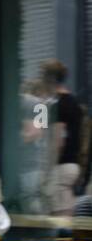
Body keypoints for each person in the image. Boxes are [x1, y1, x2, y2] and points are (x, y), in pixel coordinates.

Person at [40, 60, 85, 216]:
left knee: (62, 221)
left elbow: (57, 141)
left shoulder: (57, 105)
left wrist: (47, 168)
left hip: (60, 167)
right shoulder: (74, 103)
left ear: (49, 79)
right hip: (73, 165)